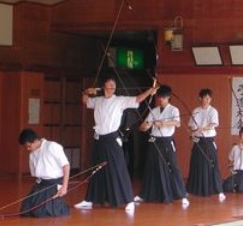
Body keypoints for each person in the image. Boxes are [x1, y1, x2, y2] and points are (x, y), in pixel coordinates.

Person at [74, 76, 158, 212]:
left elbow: (137, 99)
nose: (112, 88)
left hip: (112, 139)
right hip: (99, 139)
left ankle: (128, 200)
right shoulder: (98, 101)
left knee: (118, 168)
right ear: (104, 86)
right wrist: (85, 92)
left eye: (114, 86)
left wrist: (150, 91)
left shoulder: (120, 100)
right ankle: (90, 200)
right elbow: (85, 101)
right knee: (96, 169)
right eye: (109, 85)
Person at [134, 85, 189, 207]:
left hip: (166, 141)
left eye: (163, 97)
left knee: (173, 167)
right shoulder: (154, 110)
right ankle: (145, 194)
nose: (160, 99)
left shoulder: (174, 110)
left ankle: (182, 195)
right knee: (151, 168)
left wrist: (162, 123)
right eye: (159, 97)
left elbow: (177, 123)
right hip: (154, 142)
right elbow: (144, 127)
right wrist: (144, 126)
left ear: (168, 97)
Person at [18, 128, 70, 217]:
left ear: (35, 140)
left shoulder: (52, 146)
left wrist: (64, 187)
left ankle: (60, 206)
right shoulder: (32, 154)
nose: (28, 149)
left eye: (29, 146)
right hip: (41, 184)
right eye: (26, 147)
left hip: (53, 184)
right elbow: (36, 174)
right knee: (25, 210)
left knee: (41, 212)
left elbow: (66, 166)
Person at [185, 88, 226, 201]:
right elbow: (190, 125)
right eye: (205, 98)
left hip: (208, 140)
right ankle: (192, 189)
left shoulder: (213, 111)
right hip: (198, 140)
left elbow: (214, 123)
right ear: (200, 98)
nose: (208, 100)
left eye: (209, 98)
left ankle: (218, 190)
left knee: (212, 164)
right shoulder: (196, 111)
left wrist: (204, 127)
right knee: (196, 164)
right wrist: (193, 131)